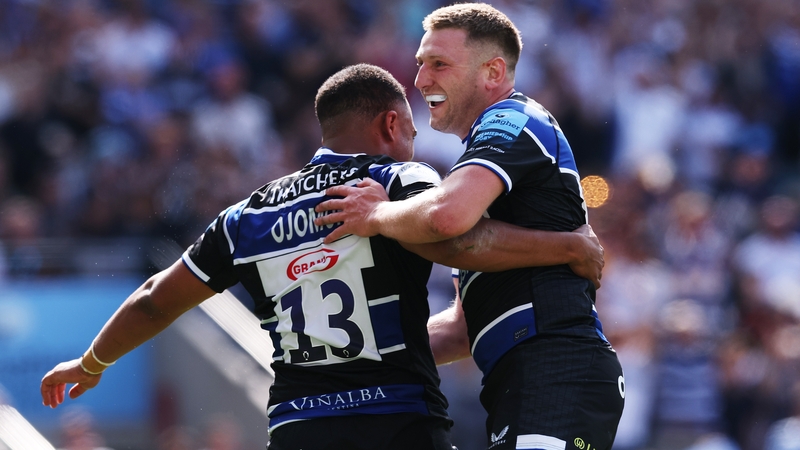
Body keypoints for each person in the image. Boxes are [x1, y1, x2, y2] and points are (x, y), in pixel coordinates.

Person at [41, 64, 603, 449]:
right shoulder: (398, 181)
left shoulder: (246, 216)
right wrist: (569, 246)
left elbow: (152, 301)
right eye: (409, 129)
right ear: (390, 124)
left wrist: (90, 364)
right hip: (398, 418)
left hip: (297, 426)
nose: (413, 141)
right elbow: (460, 241)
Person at [315, 5, 625, 450]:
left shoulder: (513, 119)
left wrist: (376, 215)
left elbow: (445, 218)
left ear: (493, 72)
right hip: (523, 377)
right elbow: (463, 327)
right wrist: (356, 360)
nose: (421, 80)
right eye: (420, 64)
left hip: (556, 368)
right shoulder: (486, 158)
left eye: (439, 64)